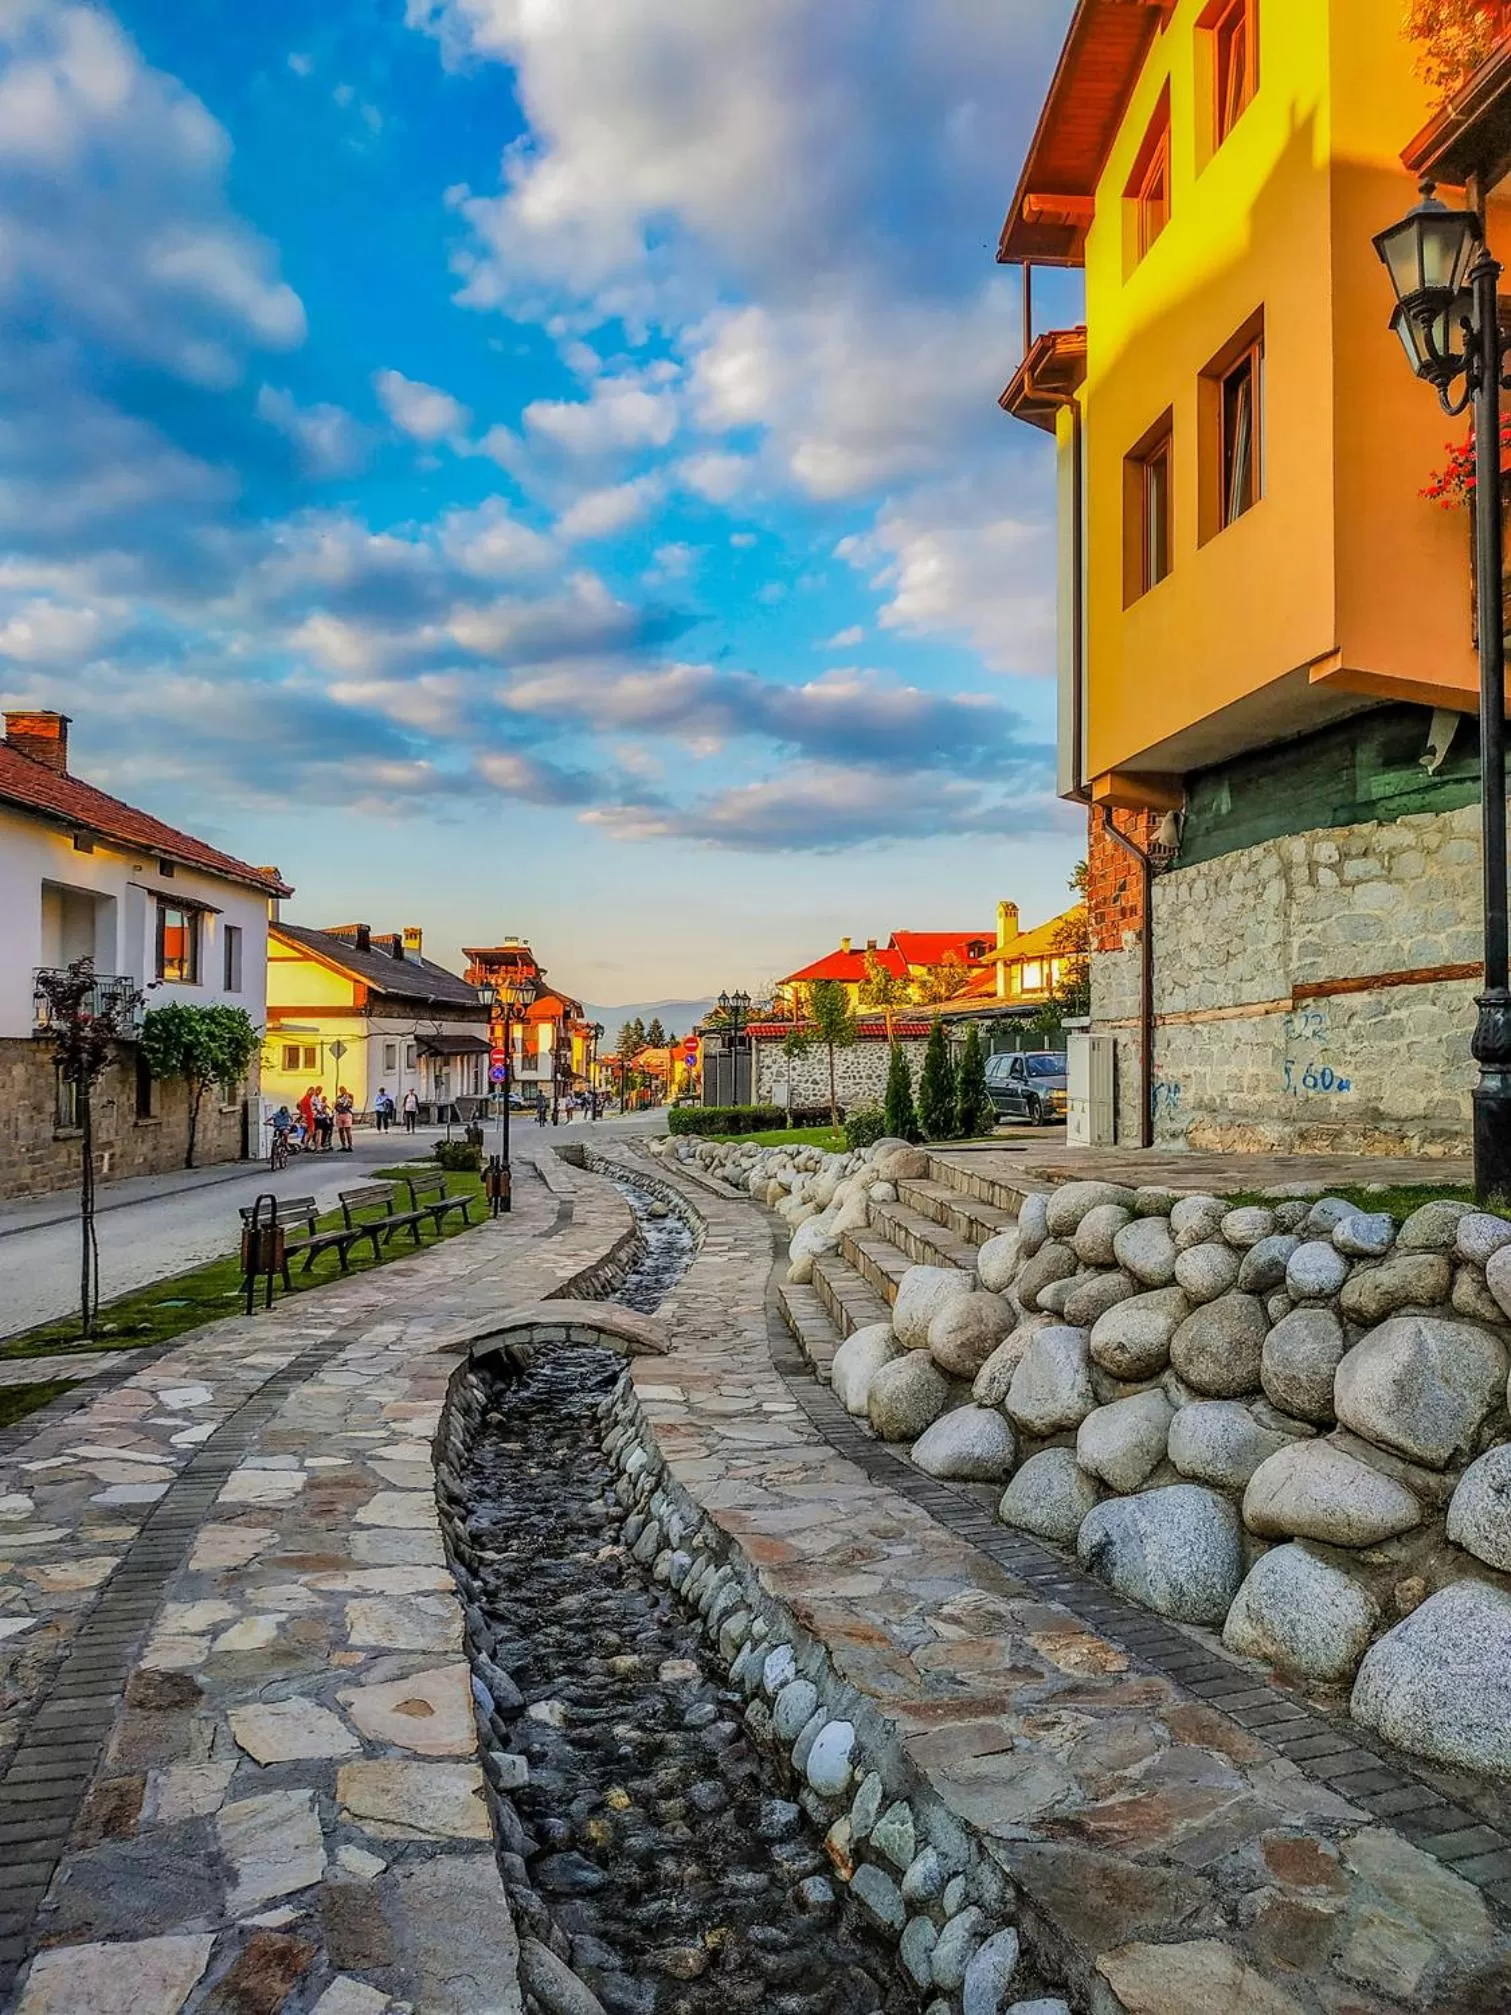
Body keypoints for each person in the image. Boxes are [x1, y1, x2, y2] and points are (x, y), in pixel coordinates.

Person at [334, 1086, 355, 1151]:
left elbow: (350, 1105)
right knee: (341, 1130)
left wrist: (342, 1106)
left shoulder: (349, 1096)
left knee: (347, 1130)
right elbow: (336, 1106)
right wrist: (339, 1107)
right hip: (340, 1114)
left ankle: (350, 1146)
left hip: (347, 1114)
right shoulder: (338, 1097)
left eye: (343, 1090)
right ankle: (343, 1145)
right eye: (340, 1090)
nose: (342, 1091)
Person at [313, 1088, 334, 1152]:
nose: (319, 1092)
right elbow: (318, 1109)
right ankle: (319, 1146)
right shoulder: (315, 1099)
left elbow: (328, 1109)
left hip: (321, 1117)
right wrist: (324, 1113)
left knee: (320, 1132)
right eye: (318, 1091)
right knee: (320, 1132)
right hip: (319, 1118)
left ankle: (319, 1145)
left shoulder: (317, 1099)